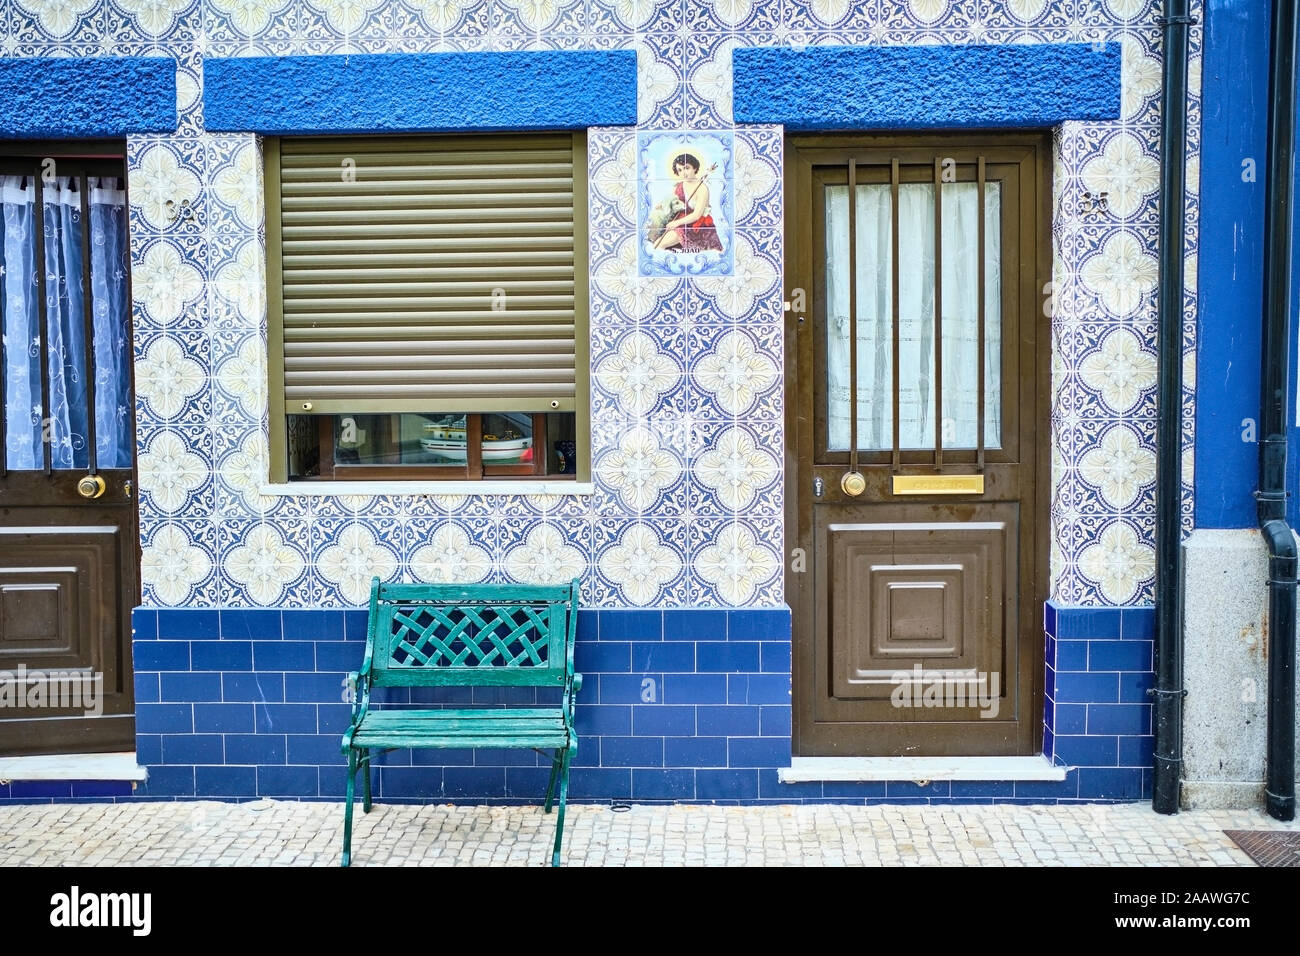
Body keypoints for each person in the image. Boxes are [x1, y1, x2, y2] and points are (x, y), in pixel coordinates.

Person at [652, 153, 723, 253]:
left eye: (686, 168)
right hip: (680, 222)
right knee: (658, 244)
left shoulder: (702, 189)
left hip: (697, 227)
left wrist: (676, 223)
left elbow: (696, 215)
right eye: (680, 170)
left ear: (694, 168)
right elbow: (672, 202)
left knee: (661, 244)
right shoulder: (679, 186)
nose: (683, 173)